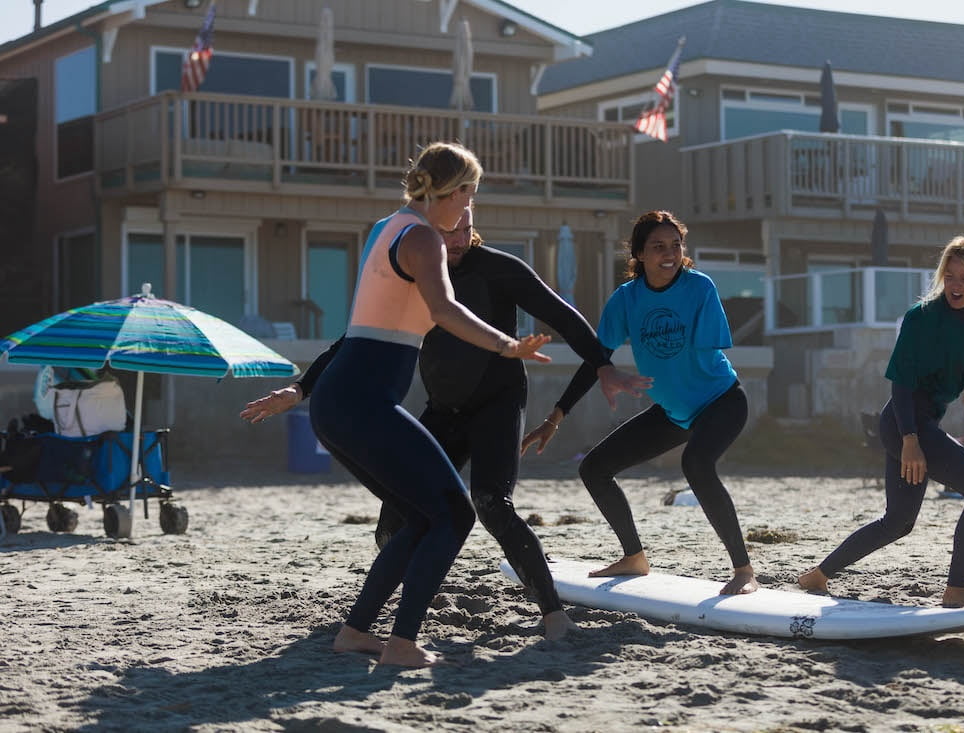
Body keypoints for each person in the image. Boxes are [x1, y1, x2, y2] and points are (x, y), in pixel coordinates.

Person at [242, 207, 647, 643]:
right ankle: (412, 591)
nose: (456, 241)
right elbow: (353, 339)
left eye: (465, 231)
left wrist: (603, 366)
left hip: (498, 402)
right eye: (447, 232)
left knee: (491, 502)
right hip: (444, 407)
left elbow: (562, 315)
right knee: (397, 516)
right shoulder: (414, 270)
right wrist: (300, 389)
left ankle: (553, 614)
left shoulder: (497, 268)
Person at [243, 141, 551, 668]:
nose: (469, 209)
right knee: (453, 514)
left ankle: (356, 632)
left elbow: (364, 327)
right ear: (451, 192)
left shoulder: (388, 227)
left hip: (345, 400)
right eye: (468, 195)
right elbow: (444, 308)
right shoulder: (423, 237)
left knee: (419, 517)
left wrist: (302, 389)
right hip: (361, 401)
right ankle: (403, 643)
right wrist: (506, 345)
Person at [522, 210, 759, 595]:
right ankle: (634, 557)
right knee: (595, 468)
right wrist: (556, 416)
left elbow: (693, 357)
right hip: (672, 412)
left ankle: (744, 569)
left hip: (721, 401)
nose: (669, 253)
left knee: (696, 464)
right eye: (658, 246)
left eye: (676, 245)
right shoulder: (626, 300)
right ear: (639, 253)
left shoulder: (700, 288)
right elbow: (597, 361)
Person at [798, 234, 964, 608]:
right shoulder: (922, 318)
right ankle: (956, 589)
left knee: (898, 522)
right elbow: (901, 382)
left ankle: (818, 575)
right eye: (951, 276)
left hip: (922, 426)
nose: (956, 285)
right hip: (903, 423)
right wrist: (910, 440)